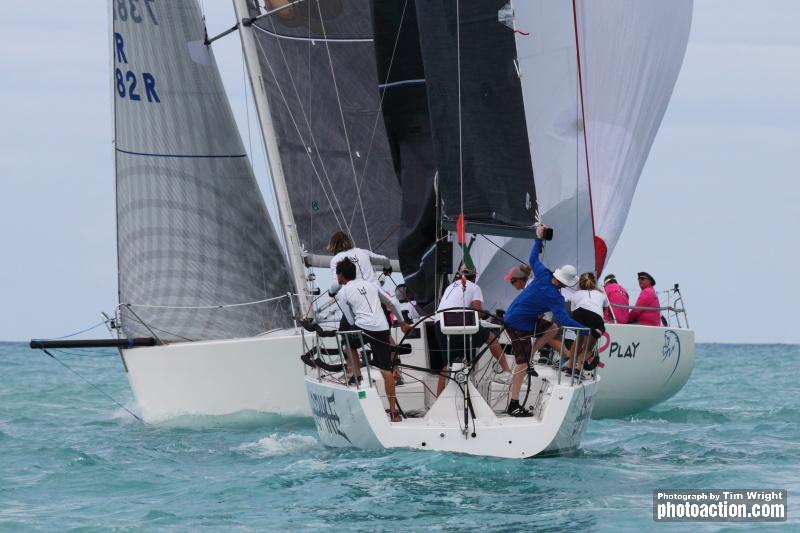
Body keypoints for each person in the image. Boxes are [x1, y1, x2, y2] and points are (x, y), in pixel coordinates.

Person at [502, 226, 591, 417]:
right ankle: (513, 404)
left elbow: (533, 258)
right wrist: (585, 329)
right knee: (521, 365)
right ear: (567, 283)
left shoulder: (544, 273)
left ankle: (531, 356)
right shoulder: (556, 299)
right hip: (515, 324)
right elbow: (567, 319)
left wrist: (539, 239)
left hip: (523, 317)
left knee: (552, 328)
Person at [335, 258, 413, 422]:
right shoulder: (371, 285)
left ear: (341, 275)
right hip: (382, 328)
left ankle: (357, 377)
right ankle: (394, 412)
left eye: (337, 274)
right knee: (386, 370)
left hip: (363, 328)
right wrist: (402, 323)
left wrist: (355, 325)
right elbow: (392, 302)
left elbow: (349, 320)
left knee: (347, 342)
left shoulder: (342, 292)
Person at [434, 265, 512, 395]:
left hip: (439, 323)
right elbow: (477, 311)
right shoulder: (474, 287)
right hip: (456, 320)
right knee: (492, 339)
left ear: (460, 274)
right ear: (475, 276)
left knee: (448, 364)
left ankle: (439, 398)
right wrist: (485, 313)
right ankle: (507, 372)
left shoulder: (450, 286)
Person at [563, 272, 609, 373]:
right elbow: (605, 309)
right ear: (594, 282)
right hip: (595, 317)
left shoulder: (575, 294)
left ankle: (570, 367)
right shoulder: (601, 294)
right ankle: (578, 368)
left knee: (579, 338)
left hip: (578, 314)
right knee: (589, 346)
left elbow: (573, 311)